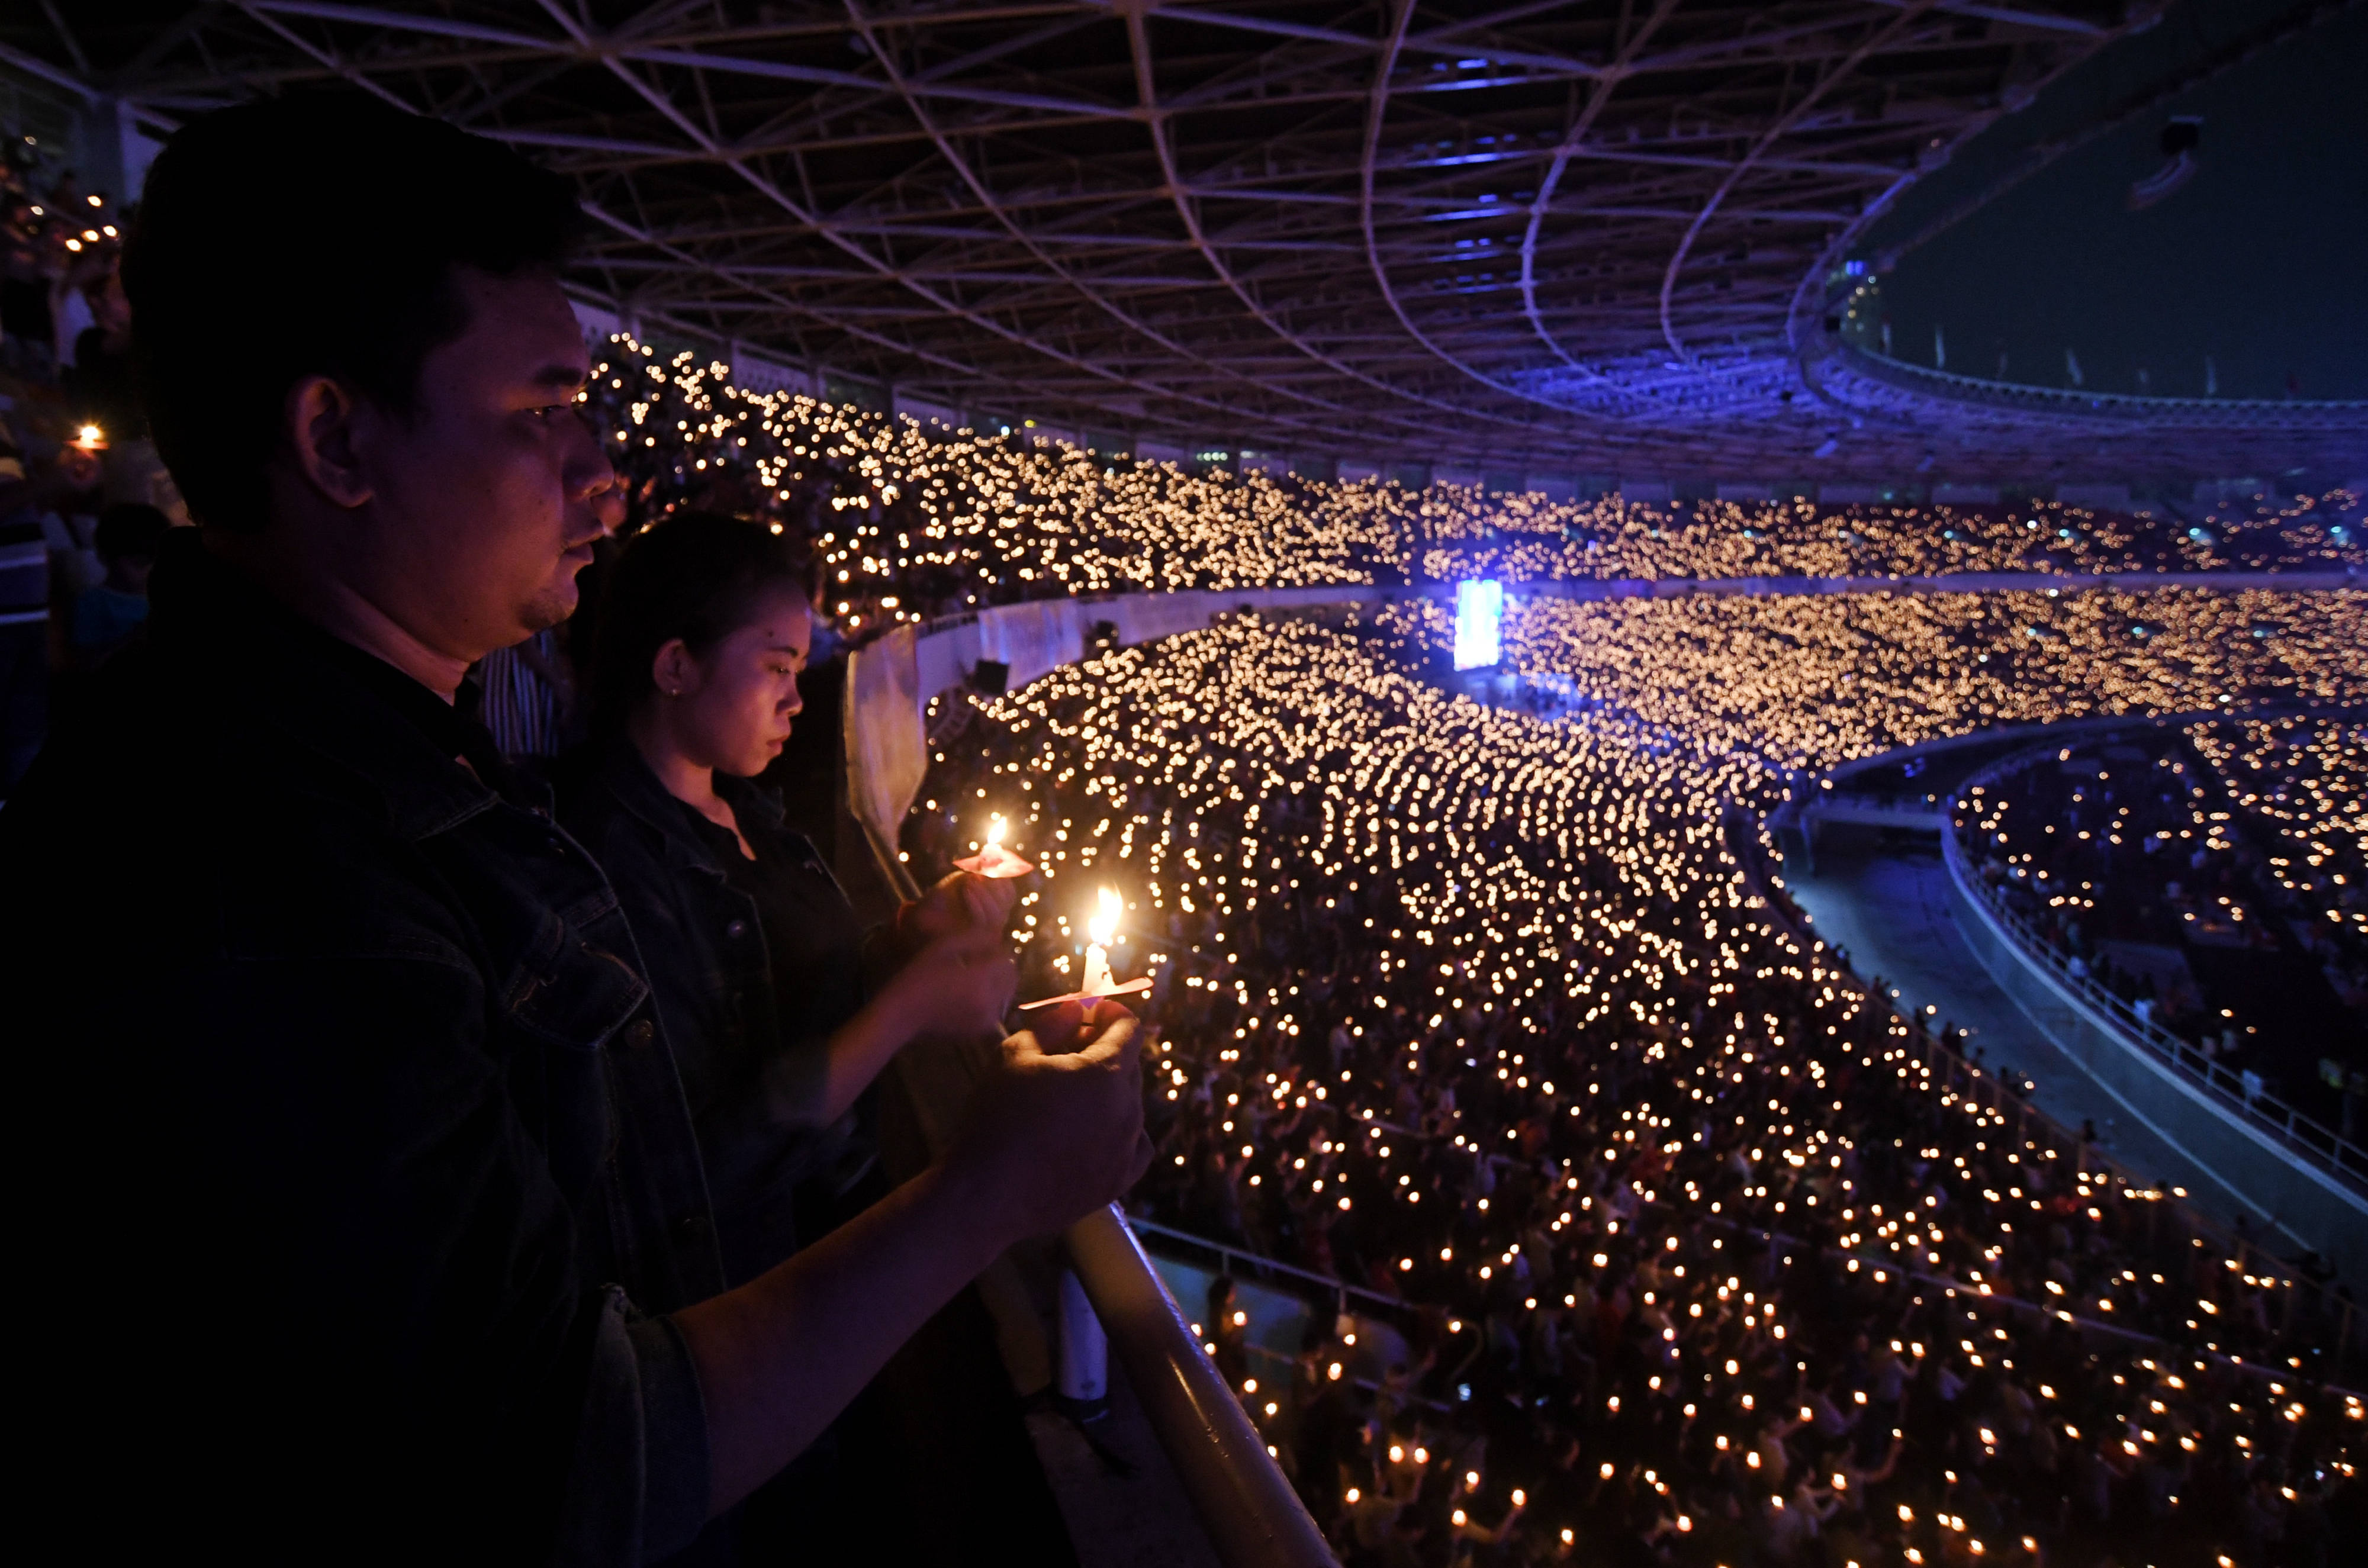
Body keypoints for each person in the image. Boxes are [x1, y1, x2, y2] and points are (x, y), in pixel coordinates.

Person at [0, 92, 1148, 1564]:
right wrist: (986, 1192)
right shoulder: (257, 892)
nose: (603, 470)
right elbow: (553, 1467)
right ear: (337, 439)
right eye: (544, 413)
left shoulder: (349, 776)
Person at [562, 508, 1021, 1287]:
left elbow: (800, 986)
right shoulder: (603, 869)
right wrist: (907, 1009)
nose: (797, 701)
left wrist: (914, 933)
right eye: (776, 668)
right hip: (739, 1311)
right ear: (676, 665)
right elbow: (696, 1166)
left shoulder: (754, 820)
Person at [68, 500, 169, 668]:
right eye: (139, 564)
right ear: (106, 558)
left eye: (158, 563)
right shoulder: (93, 602)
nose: (150, 571)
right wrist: (138, 636)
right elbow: (89, 662)